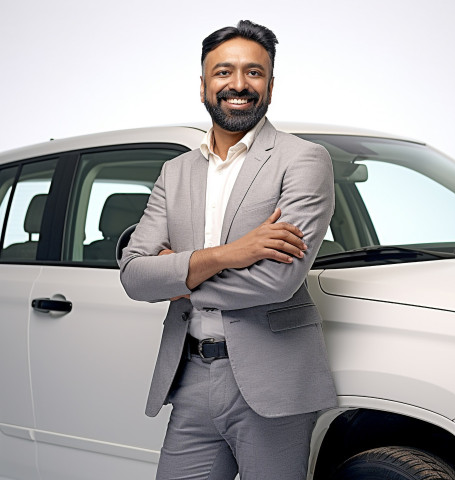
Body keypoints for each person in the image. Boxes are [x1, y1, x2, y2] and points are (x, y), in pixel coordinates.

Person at [119, 19, 337, 480]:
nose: (238, 84)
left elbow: (278, 280)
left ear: (271, 86)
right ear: (202, 85)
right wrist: (229, 253)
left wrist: (178, 276)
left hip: (272, 384)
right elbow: (135, 276)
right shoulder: (175, 171)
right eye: (223, 72)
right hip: (191, 375)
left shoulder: (303, 159)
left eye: (253, 73)